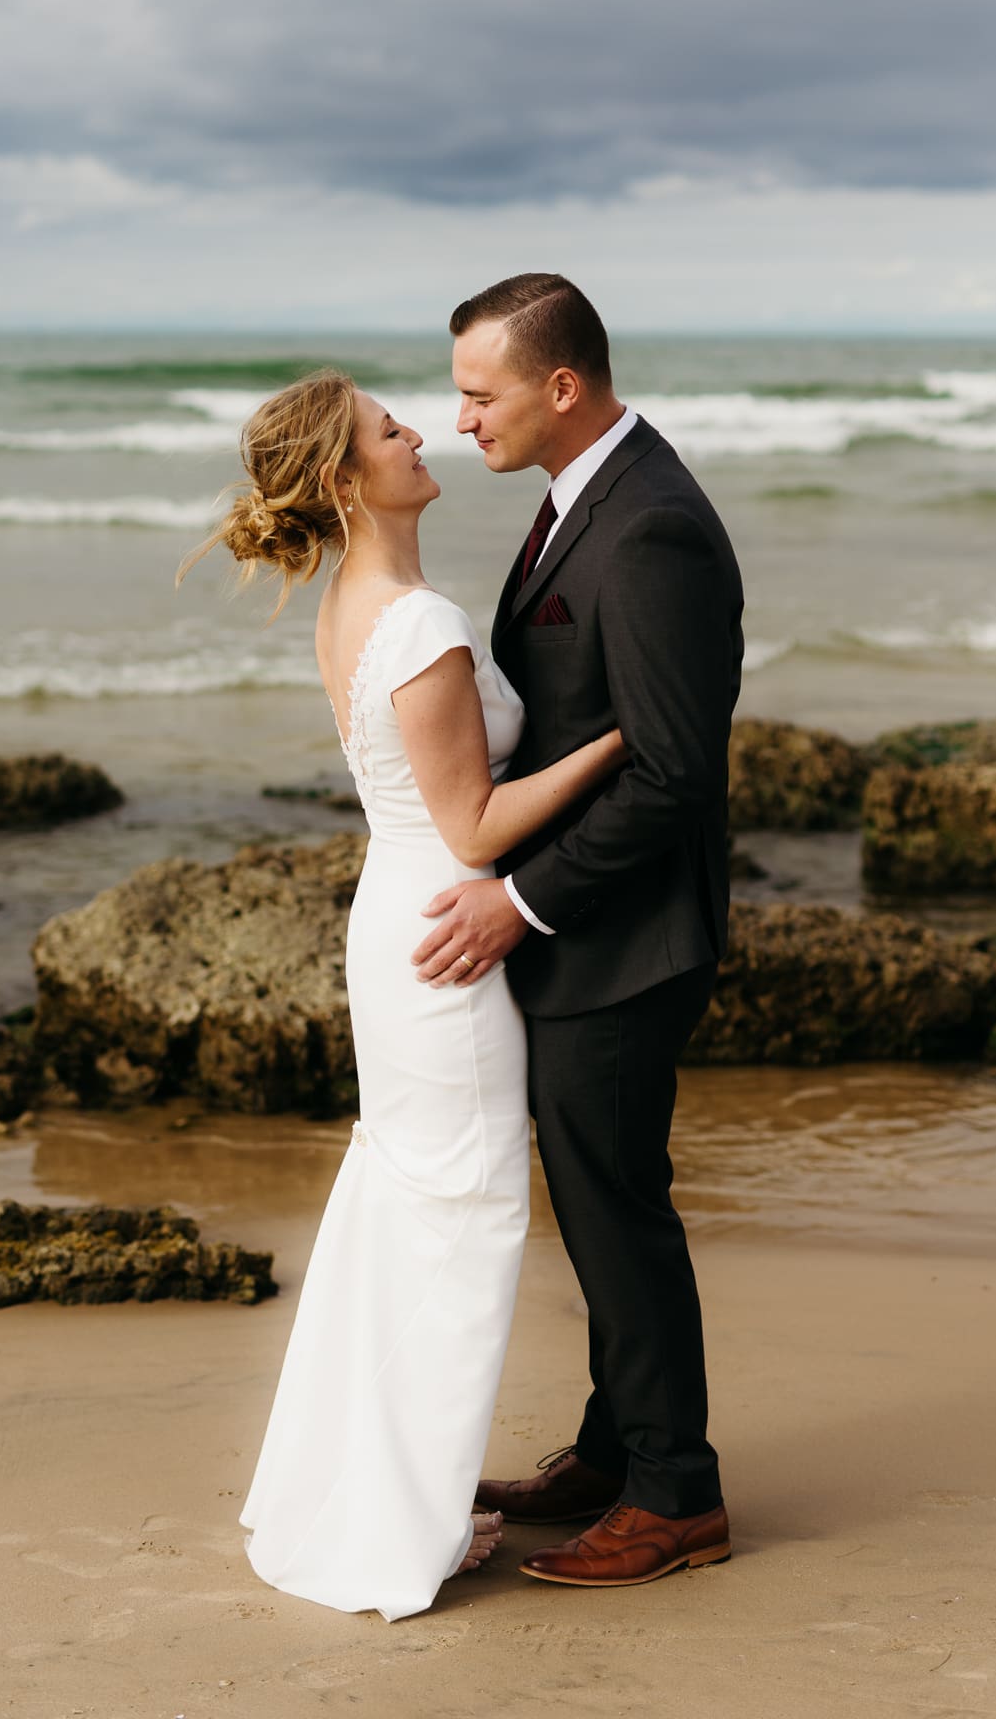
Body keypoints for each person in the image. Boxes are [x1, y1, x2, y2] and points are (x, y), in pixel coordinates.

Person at [178, 368, 627, 1621]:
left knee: (405, 1203)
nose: (418, 431)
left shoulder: (355, 604)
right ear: (342, 476)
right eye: (389, 428)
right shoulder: (417, 621)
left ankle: (374, 1484)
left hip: (403, 914)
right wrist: (617, 742)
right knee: (461, 1217)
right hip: (445, 931)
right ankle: (399, 1512)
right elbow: (473, 820)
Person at [411, 273, 744, 1589]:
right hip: (591, 932)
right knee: (600, 1201)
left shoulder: (651, 526)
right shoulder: (583, 499)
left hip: (629, 936)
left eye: (478, 393)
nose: (459, 419)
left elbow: (674, 773)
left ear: (561, 386)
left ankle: (677, 1496)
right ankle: (615, 1451)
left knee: (619, 1210)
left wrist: (523, 900)